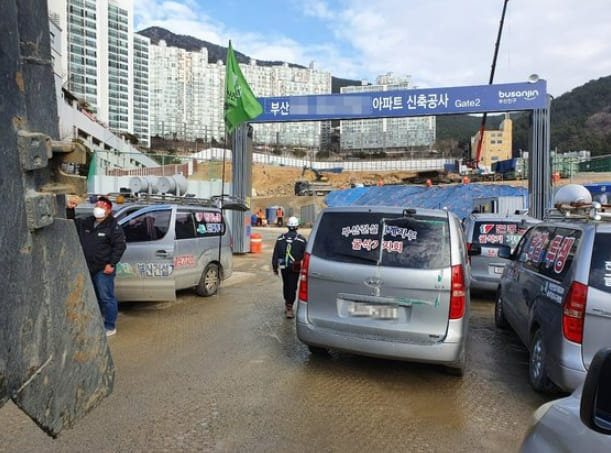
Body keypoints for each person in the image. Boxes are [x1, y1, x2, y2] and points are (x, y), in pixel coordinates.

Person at [67, 195, 126, 336]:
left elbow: (120, 246)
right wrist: (69, 209)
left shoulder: (113, 227)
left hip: (103, 269)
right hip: (87, 267)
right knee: (93, 296)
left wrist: (111, 264)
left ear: (109, 211)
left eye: (102, 206)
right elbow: (70, 223)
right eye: (97, 205)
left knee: (106, 297)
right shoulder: (87, 222)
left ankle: (110, 326)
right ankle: (96, 322)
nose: (98, 208)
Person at [272, 216, 307, 319]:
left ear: (287, 226)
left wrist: (275, 267)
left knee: (286, 284)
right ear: (297, 227)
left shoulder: (280, 238)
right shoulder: (301, 240)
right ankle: (289, 307)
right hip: (295, 267)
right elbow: (306, 256)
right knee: (292, 286)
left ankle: (287, 303)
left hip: (283, 266)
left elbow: (275, 254)